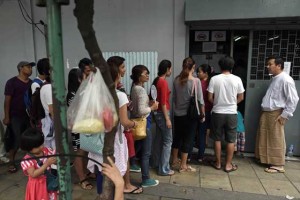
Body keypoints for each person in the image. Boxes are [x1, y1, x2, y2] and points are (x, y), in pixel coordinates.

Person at [255, 55, 299, 173]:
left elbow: (293, 99)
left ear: (279, 66)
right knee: (265, 136)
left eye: (270, 64)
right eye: (268, 64)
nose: (267, 66)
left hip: (276, 112)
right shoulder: (275, 78)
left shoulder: (286, 79)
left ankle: (278, 164)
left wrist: (285, 115)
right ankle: (266, 159)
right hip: (267, 112)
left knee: (276, 137)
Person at [106, 58, 143, 194]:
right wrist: (134, 123)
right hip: (116, 137)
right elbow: (124, 121)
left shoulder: (101, 93)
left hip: (103, 136)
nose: (125, 69)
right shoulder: (119, 95)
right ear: (116, 73)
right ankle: (122, 188)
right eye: (122, 67)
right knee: (121, 162)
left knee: (106, 167)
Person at [207, 56, 245, 173]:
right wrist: (232, 104)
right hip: (232, 113)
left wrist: (218, 103)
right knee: (231, 140)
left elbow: (209, 97)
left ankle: (218, 163)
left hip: (217, 112)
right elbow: (241, 97)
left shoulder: (214, 79)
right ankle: (228, 165)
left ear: (220, 66)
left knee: (217, 139)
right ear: (232, 67)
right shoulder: (237, 79)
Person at [172, 57, 205, 173]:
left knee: (177, 136)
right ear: (193, 67)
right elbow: (200, 100)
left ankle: (174, 159)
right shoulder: (196, 81)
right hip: (190, 115)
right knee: (188, 139)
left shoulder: (176, 80)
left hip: (177, 114)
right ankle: (183, 166)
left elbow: (174, 99)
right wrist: (203, 114)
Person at [130, 65, 159, 187]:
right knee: (146, 153)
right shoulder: (140, 90)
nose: (148, 75)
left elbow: (136, 107)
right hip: (143, 123)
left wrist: (148, 103)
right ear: (139, 76)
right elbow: (142, 110)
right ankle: (146, 179)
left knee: (137, 148)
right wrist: (152, 107)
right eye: (145, 73)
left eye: (148, 73)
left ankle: (131, 164)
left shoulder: (134, 87)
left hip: (137, 123)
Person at [3, 61, 35, 173]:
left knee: (29, 140)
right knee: (15, 140)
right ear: (21, 68)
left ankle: (30, 162)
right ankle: (11, 161)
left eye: (31, 67)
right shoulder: (12, 82)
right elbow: (7, 101)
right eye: (28, 67)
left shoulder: (31, 83)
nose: (30, 69)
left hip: (28, 116)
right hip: (15, 116)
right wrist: (7, 116)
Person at [66, 68, 94, 190]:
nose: (86, 79)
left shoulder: (80, 92)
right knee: (79, 153)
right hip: (78, 127)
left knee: (85, 151)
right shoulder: (72, 95)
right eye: (84, 77)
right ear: (78, 79)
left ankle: (86, 171)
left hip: (85, 127)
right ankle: (82, 179)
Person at [20, 128, 58, 200]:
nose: (42, 147)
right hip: (37, 186)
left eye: (42, 144)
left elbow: (54, 160)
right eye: (38, 146)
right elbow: (33, 174)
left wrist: (54, 160)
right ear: (28, 147)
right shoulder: (27, 160)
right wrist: (47, 164)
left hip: (49, 181)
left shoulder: (46, 150)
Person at [151, 60, 174, 176]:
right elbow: (164, 103)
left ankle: (155, 163)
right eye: (170, 68)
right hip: (163, 113)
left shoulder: (156, 81)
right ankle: (164, 169)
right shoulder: (163, 82)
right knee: (168, 141)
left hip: (157, 113)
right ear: (167, 69)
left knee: (159, 139)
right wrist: (167, 119)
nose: (171, 71)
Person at [196, 64, 213, 163]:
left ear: (206, 73)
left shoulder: (200, 84)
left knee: (199, 133)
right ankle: (200, 156)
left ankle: (196, 155)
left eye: (200, 72)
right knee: (203, 133)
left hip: (201, 111)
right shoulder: (210, 83)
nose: (198, 73)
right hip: (208, 111)